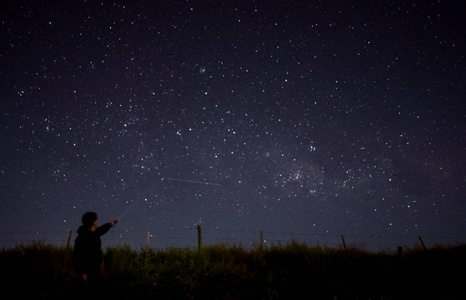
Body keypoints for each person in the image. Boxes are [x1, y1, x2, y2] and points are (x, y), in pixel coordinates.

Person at [73, 212, 117, 299]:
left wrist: (109, 225)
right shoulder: (83, 237)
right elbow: (77, 255)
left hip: (95, 270)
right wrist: (82, 272)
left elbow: (100, 230)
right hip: (88, 272)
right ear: (93, 222)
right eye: (96, 219)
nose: (98, 220)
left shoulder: (92, 234)